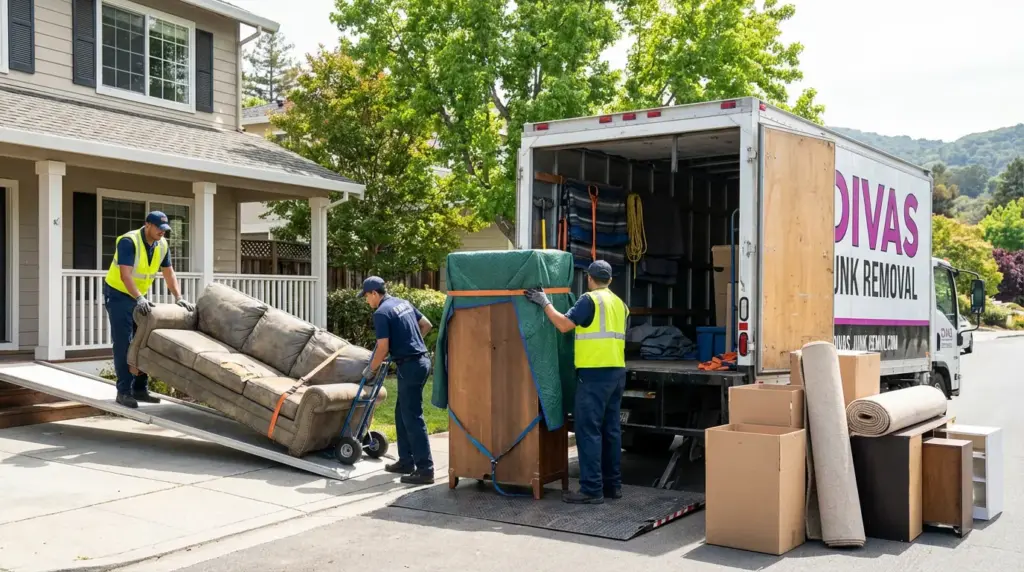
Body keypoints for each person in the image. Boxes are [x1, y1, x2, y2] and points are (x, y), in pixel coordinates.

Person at [525, 260, 628, 504]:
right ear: (610, 280)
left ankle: (592, 489)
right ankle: (613, 486)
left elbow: (563, 325)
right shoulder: (621, 304)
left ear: (589, 279)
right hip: (616, 373)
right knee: (611, 430)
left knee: (588, 431)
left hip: (594, 375)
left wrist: (544, 302)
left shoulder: (589, 300)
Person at [103, 211, 194, 409]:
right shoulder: (129, 241)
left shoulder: (162, 245)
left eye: (165, 229)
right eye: (159, 229)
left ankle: (140, 389)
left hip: (139, 297)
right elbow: (125, 275)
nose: (163, 232)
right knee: (124, 343)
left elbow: (169, 273)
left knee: (143, 339)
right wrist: (139, 298)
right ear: (147, 225)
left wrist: (178, 298)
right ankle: (123, 392)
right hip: (118, 295)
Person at [359, 276, 435, 485]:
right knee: (401, 413)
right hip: (422, 361)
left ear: (374, 293)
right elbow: (426, 325)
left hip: (410, 365)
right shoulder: (403, 303)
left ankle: (425, 469)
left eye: (366, 296)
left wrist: (369, 371)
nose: (367, 301)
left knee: (412, 417)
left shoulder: (382, 313)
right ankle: (405, 461)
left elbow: (382, 348)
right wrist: (412, 342)